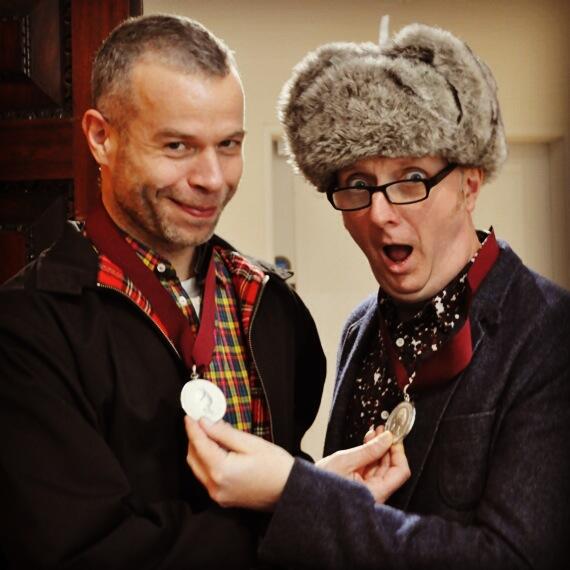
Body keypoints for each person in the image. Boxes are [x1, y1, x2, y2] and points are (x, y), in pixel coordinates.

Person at [185, 23, 570, 569]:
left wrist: (295, 492)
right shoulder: (360, 327)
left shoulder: (549, 334)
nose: (380, 212)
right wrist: (322, 492)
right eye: (358, 183)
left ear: (470, 184)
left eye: (412, 178)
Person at [0, 14, 331, 569]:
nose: (212, 178)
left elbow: (287, 463)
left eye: (228, 144)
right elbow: (82, 551)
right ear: (101, 138)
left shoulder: (275, 307)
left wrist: (318, 492)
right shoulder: (26, 327)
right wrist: (303, 512)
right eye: (178, 145)